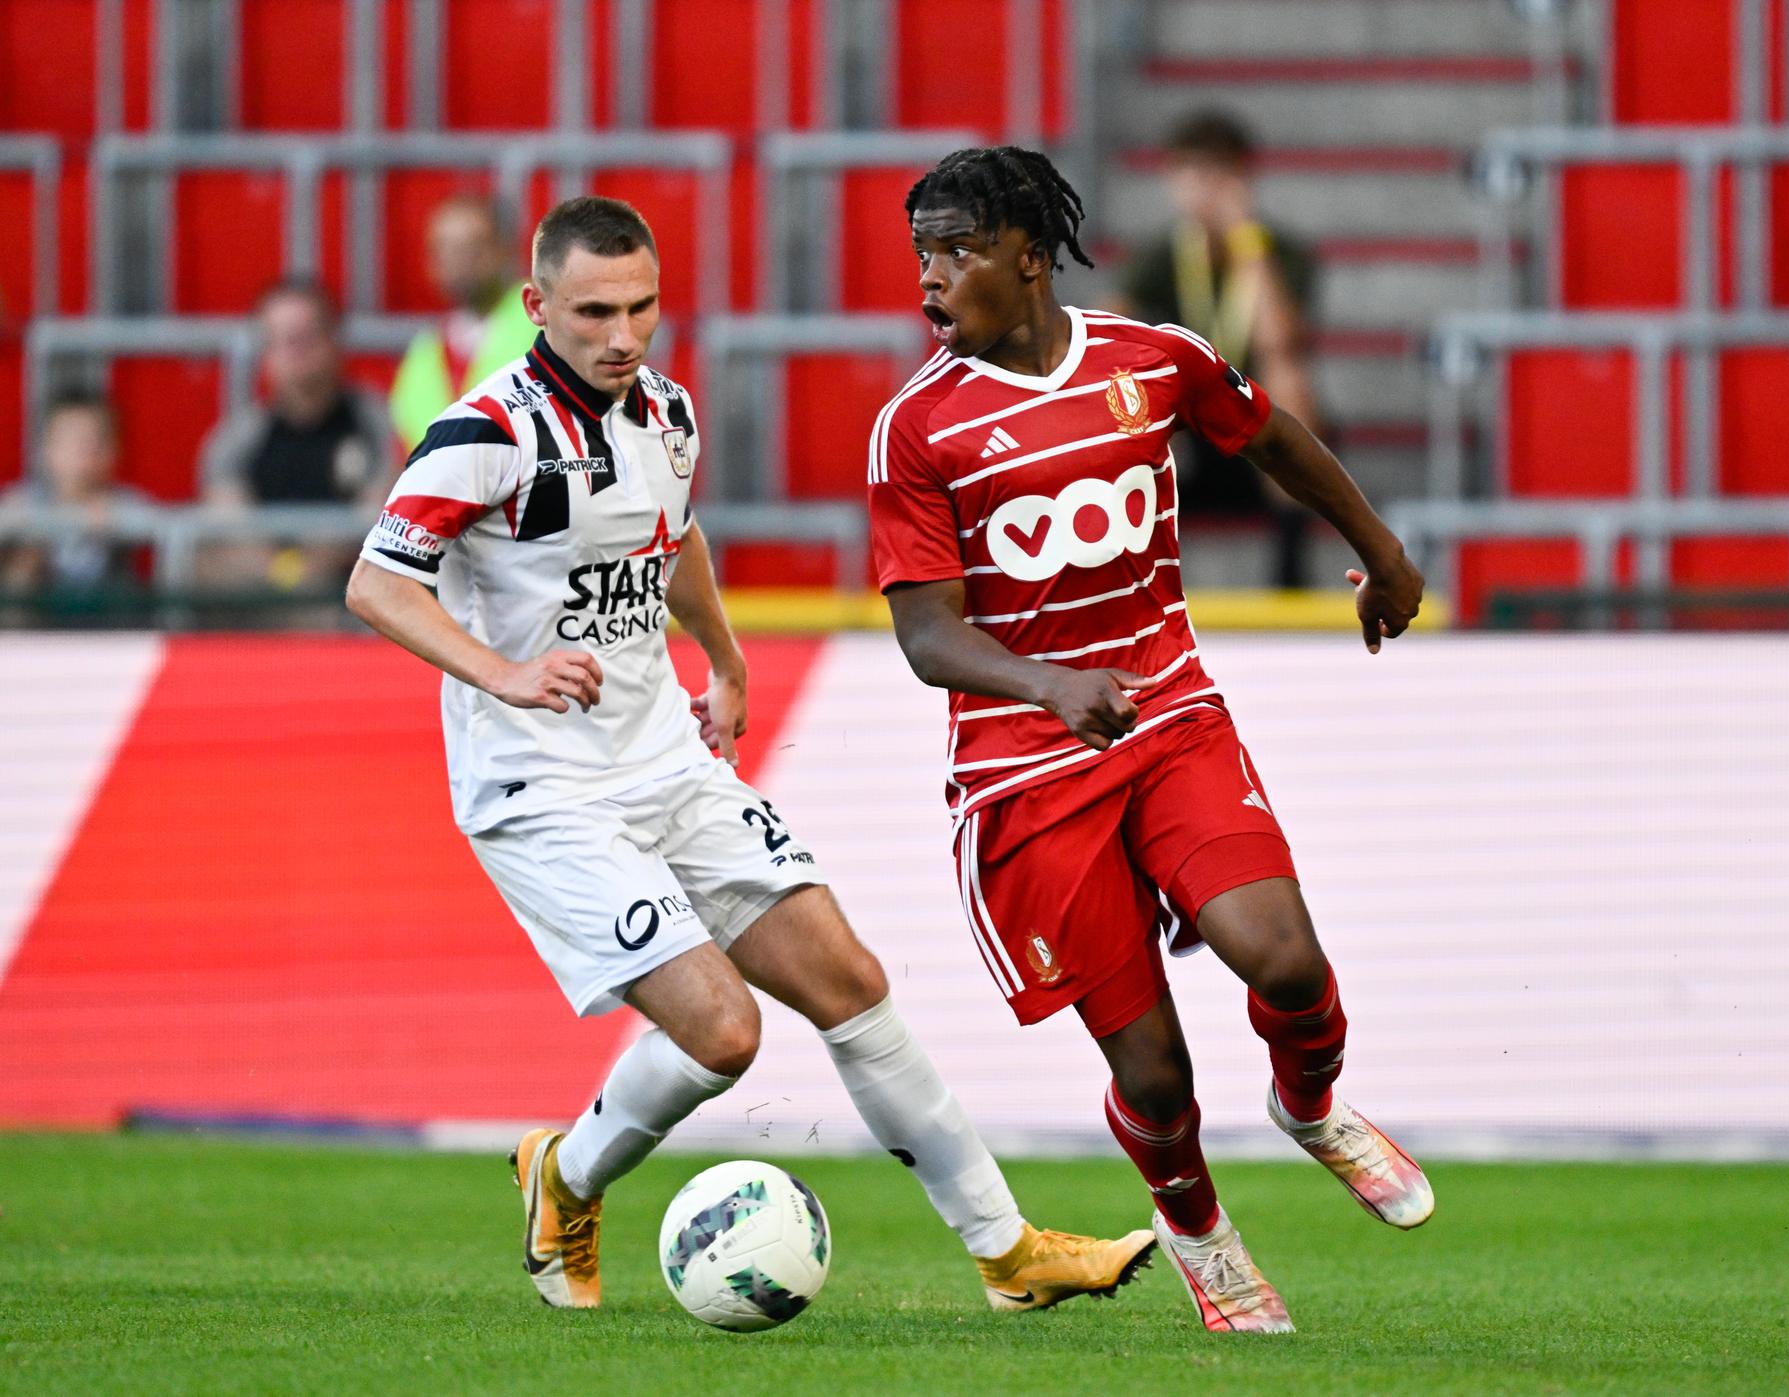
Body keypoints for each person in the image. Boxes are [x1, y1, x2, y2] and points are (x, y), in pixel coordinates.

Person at [344, 195, 1154, 1317]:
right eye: (592, 313)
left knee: (851, 981)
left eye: (642, 308)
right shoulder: (484, 434)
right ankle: (567, 1176)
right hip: (542, 787)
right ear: (537, 307)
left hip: (666, 758)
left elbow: (669, 537)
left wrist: (721, 654)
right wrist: (505, 671)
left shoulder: (666, 410)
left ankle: (1008, 1252)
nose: (623, 336)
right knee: (725, 1030)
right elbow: (375, 583)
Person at [867, 147, 1435, 1335]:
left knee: (1282, 960)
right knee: (1157, 1076)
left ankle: (1311, 1102)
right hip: (1024, 773)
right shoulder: (918, 426)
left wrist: (1381, 550)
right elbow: (926, 633)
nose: (930, 278)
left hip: (1169, 713)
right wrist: (1044, 683)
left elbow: (1270, 436)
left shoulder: (1152, 357)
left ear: (1029, 257)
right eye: (920, 251)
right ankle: (1202, 1236)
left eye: (955, 251)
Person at [1115, 111, 1323, 587]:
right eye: (1189, 173)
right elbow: (1108, 330)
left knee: (1287, 376)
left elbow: (1283, 341)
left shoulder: (1280, 251)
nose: (1202, 189)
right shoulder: (1159, 255)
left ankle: (1290, 578)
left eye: (1216, 174)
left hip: (1259, 433)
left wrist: (1247, 243)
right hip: (1188, 433)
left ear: (1243, 179)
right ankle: (1125, 581)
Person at [198, 280, 394, 588]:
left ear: (334, 340)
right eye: (282, 340)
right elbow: (227, 524)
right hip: (261, 600)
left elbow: (383, 514)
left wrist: (315, 567)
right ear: (264, 351)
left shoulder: (379, 423)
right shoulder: (236, 441)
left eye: (306, 337)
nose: (296, 351)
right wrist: (286, 574)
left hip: (353, 600)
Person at [389, 193, 538, 452]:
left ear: (506, 249)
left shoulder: (545, 320)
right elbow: (403, 447)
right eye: (442, 248)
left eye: (472, 246)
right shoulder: (424, 351)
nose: (457, 259)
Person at [0, 390, 152, 597]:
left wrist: (119, 524)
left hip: (109, 619)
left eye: (98, 439)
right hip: (38, 619)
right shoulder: (20, 502)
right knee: (22, 565)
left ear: (116, 450)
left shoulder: (126, 503)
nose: (87, 450)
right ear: (47, 449)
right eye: (73, 439)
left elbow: (174, 534)